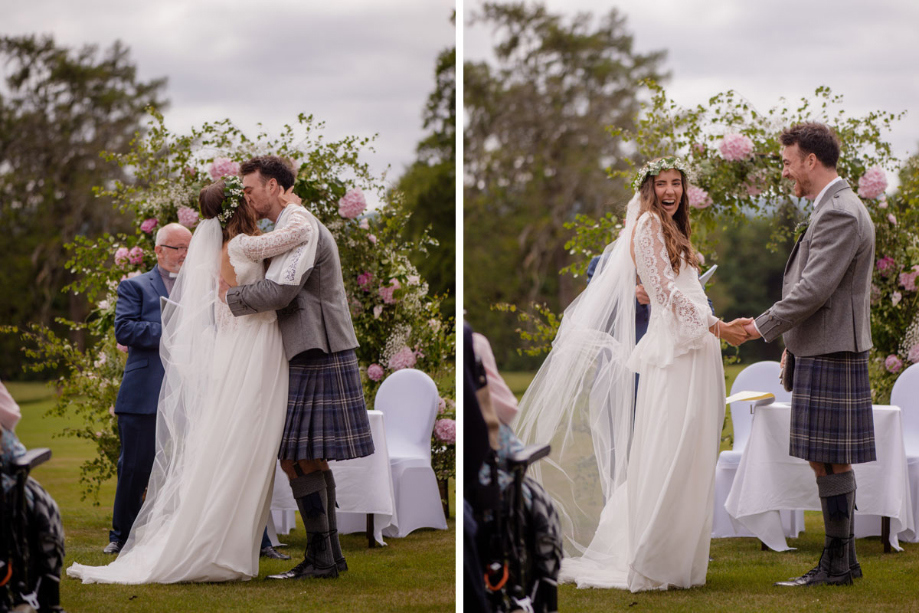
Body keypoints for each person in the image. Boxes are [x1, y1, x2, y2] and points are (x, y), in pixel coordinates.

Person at [515, 157, 747, 592]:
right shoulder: (646, 226)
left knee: (694, 453)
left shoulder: (676, 229)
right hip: (674, 351)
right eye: (662, 183)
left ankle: (681, 559)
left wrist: (716, 329)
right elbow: (664, 293)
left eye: (677, 182)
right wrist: (719, 326)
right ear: (648, 188)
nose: (671, 191)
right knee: (669, 448)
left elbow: (678, 288)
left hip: (697, 347)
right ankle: (653, 556)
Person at [67, 174, 309, 583]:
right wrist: (292, 201)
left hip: (241, 349)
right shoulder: (244, 245)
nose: (255, 202)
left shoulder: (226, 247)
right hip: (251, 349)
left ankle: (227, 542)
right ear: (240, 207)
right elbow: (300, 230)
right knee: (241, 447)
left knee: (232, 446)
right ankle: (213, 544)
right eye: (248, 197)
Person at [223, 156, 374, 580]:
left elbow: (282, 290)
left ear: (273, 186)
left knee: (299, 454)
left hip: (317, 347)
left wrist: (228, 300)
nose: (246, 197)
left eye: (250, 189)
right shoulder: (286, 225)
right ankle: (328, 557)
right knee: (301, 456)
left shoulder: (300, 224)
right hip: (310, 347)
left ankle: (323, 558)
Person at [739, 122, 875, 587]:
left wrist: (760, 327)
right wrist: (791, 345)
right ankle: (844, 562)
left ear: (810, 161)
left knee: (831, 457)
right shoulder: (833, 206)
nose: (785, 172)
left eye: (787, 162)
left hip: (833, 350)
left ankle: (837, 565)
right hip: (823, 346)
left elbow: (814, 289)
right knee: (827, 457)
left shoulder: (839, 212)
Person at [105, 222, 191, 554]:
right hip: (144, 391)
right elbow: (124, 330)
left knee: (191, 463)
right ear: (158, 250)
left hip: (188, 390)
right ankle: (120, 535)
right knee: (135, 466)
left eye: (188, 248)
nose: (184, 255)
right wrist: (170, 330)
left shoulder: (199, 288)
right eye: (177, 248)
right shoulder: (136, 286)